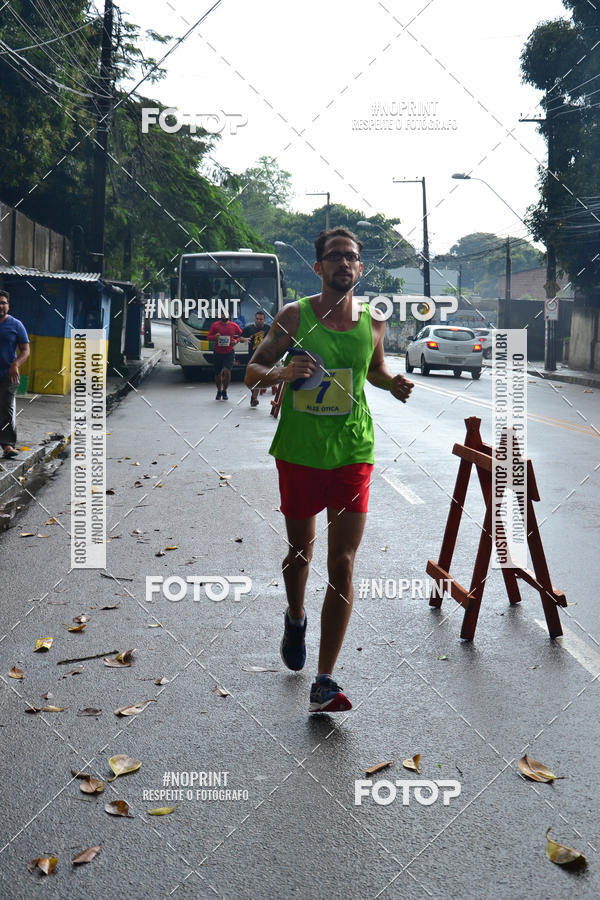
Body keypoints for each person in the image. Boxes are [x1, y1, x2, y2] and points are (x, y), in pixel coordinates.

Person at [245, 228, 413, 713]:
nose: (345, 263)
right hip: (299, 451)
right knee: (301, 553)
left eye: (353, 258)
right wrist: (282, 373)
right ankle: (295, 616)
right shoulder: (295, 316)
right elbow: (253, 371)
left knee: (342, 562)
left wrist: (392, 383)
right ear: (318, 268)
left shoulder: (373, 322)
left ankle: (325, 680)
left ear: (361, 269)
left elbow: (375, 369)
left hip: (352, 450)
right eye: (335, 257)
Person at [0, 290, 30, 459]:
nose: (1, 306)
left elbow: (25, 350)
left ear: (8, 306)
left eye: (4, 303)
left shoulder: (16, 325)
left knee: (5, 409)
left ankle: (7, 445)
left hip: (8, 375)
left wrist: (15, 364)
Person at [206, 311, 242, 400]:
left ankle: (225, 390)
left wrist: (236, 341)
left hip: (229, 352)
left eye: (226, 314)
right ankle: (219, 390)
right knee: (218, 373)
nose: (224, 316)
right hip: (218, 352)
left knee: (227, 371)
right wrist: (215, 337)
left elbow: (241, 335)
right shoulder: (215, 325)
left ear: (229, 315)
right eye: (222, 314)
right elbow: (208, 337)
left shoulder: (234, 325)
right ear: (220, 315)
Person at [239, 310, 272, 407]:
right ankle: (253, 394)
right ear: (255, 319)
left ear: (264, 320)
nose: (259, 321)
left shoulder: (268, 328)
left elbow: (274, 339)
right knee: (250, 379)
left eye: (261, 319)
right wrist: (245, 339)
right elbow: (240, 338)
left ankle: (254, 398)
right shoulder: (249, 328)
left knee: (258, 378)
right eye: (257, 319)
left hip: (263, 358)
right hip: (251, 357)